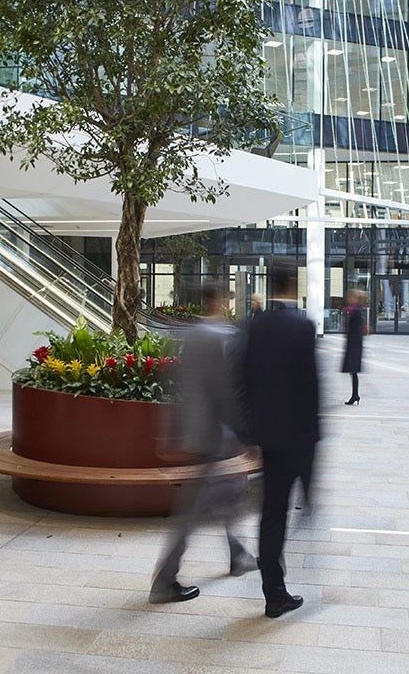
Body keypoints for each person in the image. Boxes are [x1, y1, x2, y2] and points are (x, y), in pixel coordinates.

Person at [149, 280, 256, 604]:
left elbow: (175, 384)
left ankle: (238, 554)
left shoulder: (192, 334)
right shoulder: (216, 337)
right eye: (226, 299)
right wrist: (245, 433)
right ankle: (165, 579)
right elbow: (223, 392)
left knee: (227, 493)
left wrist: (170, 432)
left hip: (197, 430)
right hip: (213, 434)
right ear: (219, 301)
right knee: (194, 509)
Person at [244, 260, 320, 618]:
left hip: (268, 438)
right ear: (292, 284)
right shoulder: (303, 326)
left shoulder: (257, 326)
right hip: (298, 437)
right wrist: (314, 438)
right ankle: (277, 590)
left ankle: (273, 591)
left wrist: (249, 432)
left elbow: (244, 380)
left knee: (271, 515)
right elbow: (310, 387)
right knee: (291, 509)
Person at [341, 288, 367, 405]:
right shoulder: (352, 310)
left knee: (353, 371)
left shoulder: (356, 311)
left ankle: (355, 395)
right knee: (353, 372)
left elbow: (355, 329)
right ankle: (355, 395)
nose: (349, 298)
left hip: (354, 345)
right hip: (353, 344)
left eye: (351, 297)